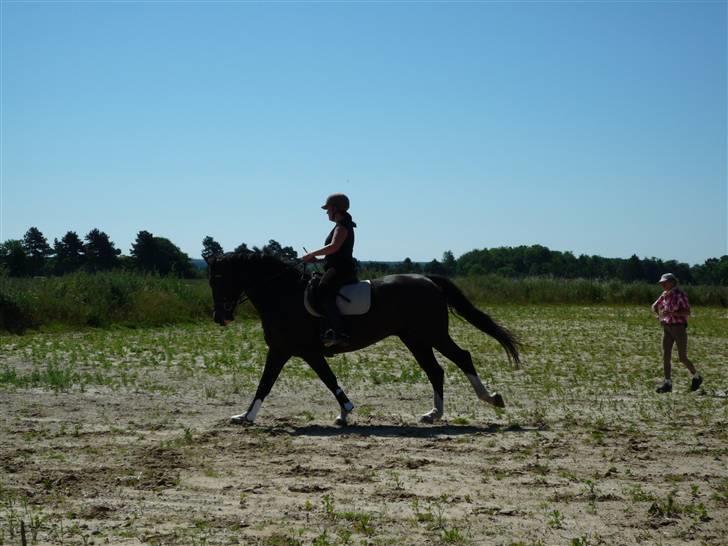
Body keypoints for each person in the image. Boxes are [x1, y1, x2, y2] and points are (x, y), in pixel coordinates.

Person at [302, 193, 358, 347]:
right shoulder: (341, 225)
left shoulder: (342, 226)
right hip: (337, 266)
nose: (327, 212)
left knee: (324, 289)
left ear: (335, 209)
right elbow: (336, 253)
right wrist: (318, 260)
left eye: (328, 209)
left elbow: (333, 247)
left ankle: (339, 333)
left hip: (342, 269)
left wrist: (312, 253)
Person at [651, 273, 703, 393]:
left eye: (665, 282)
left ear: (673, 282)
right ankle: (667, 383)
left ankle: (697, 377)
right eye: (661, 283)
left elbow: (687, 312)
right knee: (666, 355)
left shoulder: (680, 295)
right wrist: (658, 315)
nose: (662, 284)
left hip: (678, 328)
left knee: (682, 357)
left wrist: (672, 313)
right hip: (667, 328)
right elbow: (654, 306)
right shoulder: (664, 295)